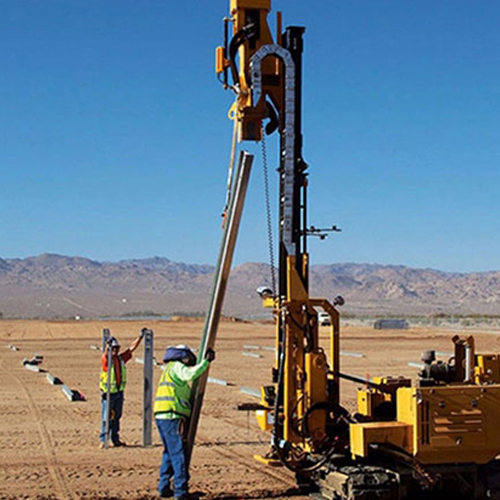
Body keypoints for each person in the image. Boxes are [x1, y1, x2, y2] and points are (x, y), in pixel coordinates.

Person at [154, 344, 215, 499]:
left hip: (162, 415)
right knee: (178, 454)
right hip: (172, 415)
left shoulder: (168, 369)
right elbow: (190, 374)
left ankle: (164, 487)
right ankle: (181, 491)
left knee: (169, 452)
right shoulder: (177, 366)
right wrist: (206, 362)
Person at [99, 331, 144, 447]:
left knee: (117, 417)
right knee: (106, 418)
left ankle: (115, 439)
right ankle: (103, 440)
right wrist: (108, 345)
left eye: (116, 348)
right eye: (112, 348)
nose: (114, 350)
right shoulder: (106, 360)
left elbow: (131, 349)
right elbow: (105, 355)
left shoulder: (120, 359)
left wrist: (140, 337)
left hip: (118, 393)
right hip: (108, 394)